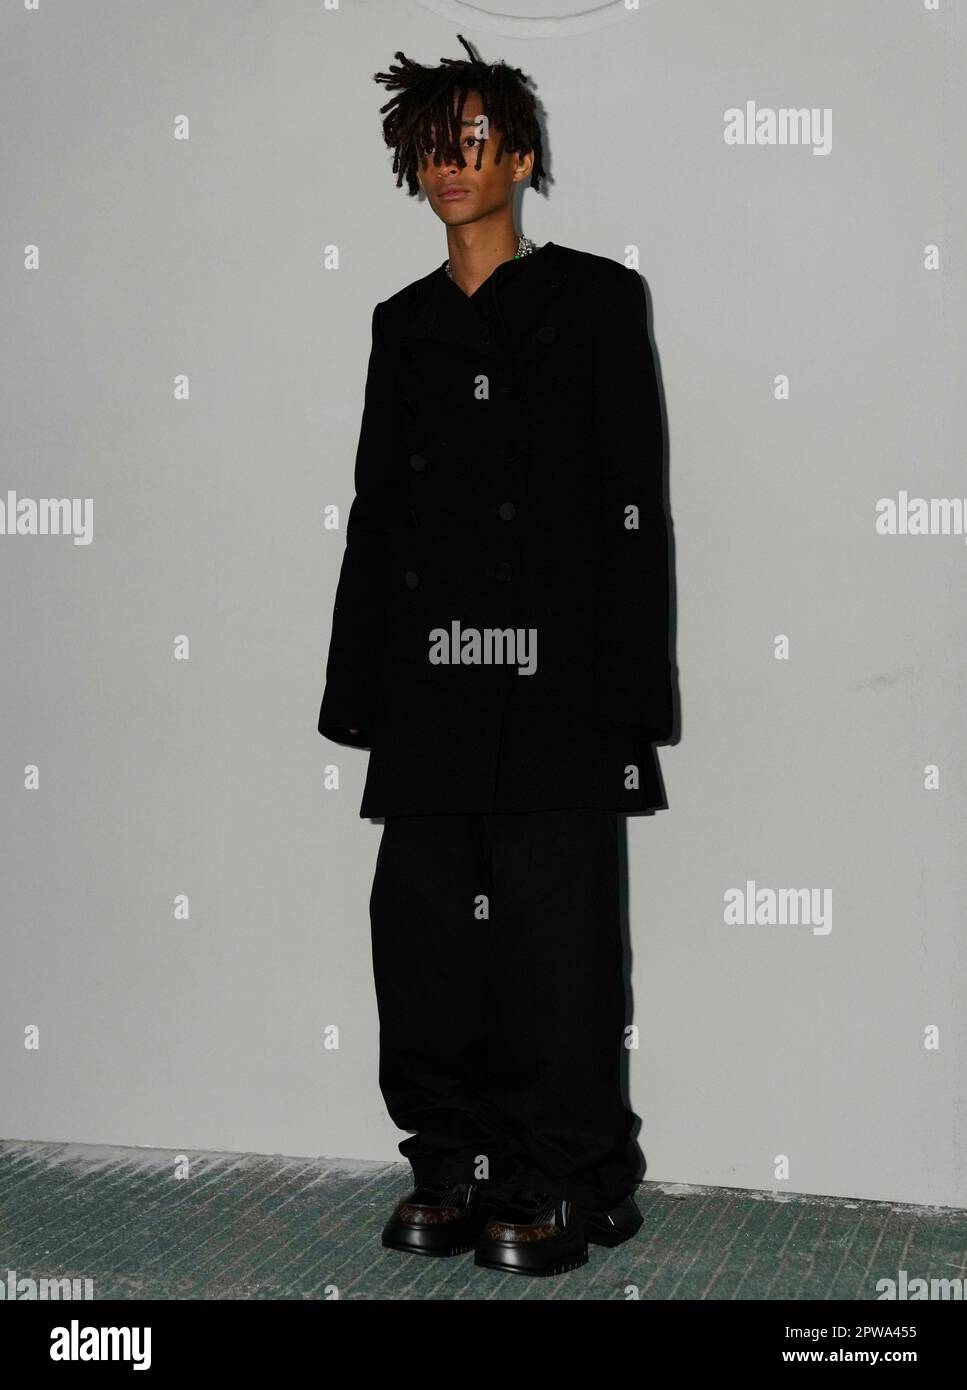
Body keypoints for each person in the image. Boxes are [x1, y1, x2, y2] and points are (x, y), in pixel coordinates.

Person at [317, 33, 674, 1277]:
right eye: (432, 141)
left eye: (474, 138)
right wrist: (355, 686)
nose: (450, 160)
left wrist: (632, 693)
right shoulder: (400, 323)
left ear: (519, 156)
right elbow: (378, 511)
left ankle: (575, 1183)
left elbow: (635, 501)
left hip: (560, 684)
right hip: (427, 683)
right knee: (422, 937)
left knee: (555, 944)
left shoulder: (595, 301)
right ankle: (456, 1166)